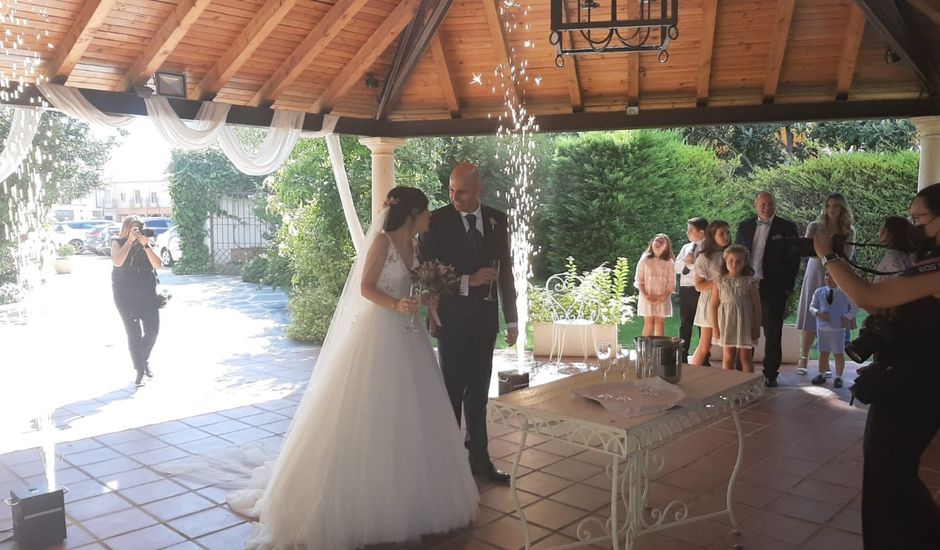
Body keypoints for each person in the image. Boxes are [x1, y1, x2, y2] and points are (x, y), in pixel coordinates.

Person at [229, 187, 478, 549]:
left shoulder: (417, 246)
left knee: (415, 414)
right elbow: (366, 288)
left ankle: (417, 500)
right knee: (373, 412)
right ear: (411, 213)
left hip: (411, 336)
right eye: (425, 212)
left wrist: (424, 298)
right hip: (381, 332)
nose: (430, 218)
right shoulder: (382, 242)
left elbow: (411, 288)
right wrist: (397, 305)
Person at [813, 182, 940, 550]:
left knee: (886, 475)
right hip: (914, 381)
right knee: (894, 472)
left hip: (915, 386)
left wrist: (828, 256)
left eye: (919, 218)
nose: (912, 225)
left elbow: (869, 296)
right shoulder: (927, 266)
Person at [418, 163, 518, 485]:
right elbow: (429, 274)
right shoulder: (437, 222)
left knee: (478, 392)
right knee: (451, 393)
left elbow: (506, 271)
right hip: (451, 320)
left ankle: (480, 459)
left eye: (461, 191)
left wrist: (512, 318)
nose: (454, 196)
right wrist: (469, 281)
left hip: (485, 321)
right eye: (451, 189)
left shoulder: (497, 219)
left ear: (478, 190)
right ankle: (446, 464)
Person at [735, 191, 800, 387]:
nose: (766, 207)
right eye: (762, 203)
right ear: (756, 205)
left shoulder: (786, 227)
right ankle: (743, 372)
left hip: (773, 286)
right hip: (747, 285)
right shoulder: (744, 226)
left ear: (774, 205)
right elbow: (736, 253)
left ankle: (770, 373)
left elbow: (794, 259)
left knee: (773, 330)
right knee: (746, 330)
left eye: (770, 203)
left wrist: (787, 285)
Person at [795, 193, 856, 375]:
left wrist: (829, 257)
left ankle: (826, 362)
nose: (831, 209)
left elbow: (848, 255)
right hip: (816, 271)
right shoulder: (815, 226)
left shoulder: (849, 230)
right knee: (812, 313)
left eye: (836, 206)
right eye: (829, 205)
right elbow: (808, 251)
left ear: (842, 208)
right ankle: (803, 358)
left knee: (833, 316)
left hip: (837, 272)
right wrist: (825, 254)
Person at [111, 216, 163, 387]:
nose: (137, 231)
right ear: (126, 228)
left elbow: (157, 265)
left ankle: (143, 360)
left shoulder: (147, 241)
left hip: (147, 293)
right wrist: (129, 241)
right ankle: (140, 369)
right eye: (133, 228)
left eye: (139, 228)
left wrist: (145, 244)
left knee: (153, 331)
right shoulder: (117, 242)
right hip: (125, 294)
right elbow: (117, 262)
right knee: (133, 334)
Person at [709, 245, 761, 372]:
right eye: (731, 260)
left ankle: (749, 387)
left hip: (744, 324)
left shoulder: (749, 281)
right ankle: (727, 386)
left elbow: (757, 306)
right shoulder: (719, 281)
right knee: (728, 355)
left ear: (744, 263)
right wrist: (715, 328)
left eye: (739, 261)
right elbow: (713, 305)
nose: (734, 264)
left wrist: (756, 327)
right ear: (725, 261)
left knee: (746, 356)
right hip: (726, 323)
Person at [690, 220, 732, 366]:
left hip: (729, 302)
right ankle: (691, 376)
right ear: (712, 235)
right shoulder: (704, 258)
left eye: (728, 233)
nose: (726, 236)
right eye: (721, 233)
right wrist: (719, 283)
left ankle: (727, 381)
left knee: (729, 346)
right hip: (709, 302)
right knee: (705, 345)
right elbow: (699, 286)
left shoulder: (732, 255)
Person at [808, 270, 857, 388]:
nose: (828, 278)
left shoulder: (844, 293)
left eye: (831, 275)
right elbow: (812, 307)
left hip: (837, 329)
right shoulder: (819, 292)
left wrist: (847, 318)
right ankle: (821, 374)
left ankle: (838, 377)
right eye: (826, 275)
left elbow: (855, 306)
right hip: (822, 328)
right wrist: (818, 313)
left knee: (838, 353)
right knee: (823, 352)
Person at [674, 217, 708, 360]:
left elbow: (707, 270)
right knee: (685, 322)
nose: (687, 233)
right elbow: (676, 268)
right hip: (686, 289)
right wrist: (685, 261)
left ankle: (704, 356)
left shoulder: (709, 248)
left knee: (702, 323)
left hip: (700, 289)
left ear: (701, 232)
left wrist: (694, 264)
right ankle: (682, 354)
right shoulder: (686, 248)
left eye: (691, 230)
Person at [635, 233, 676, 336]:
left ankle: (658, 350)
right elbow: (639, 280)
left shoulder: (669, 262)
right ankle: (645, 350)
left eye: (661, 242)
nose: (658, 243)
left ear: (666, 247)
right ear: (652, 243)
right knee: (649, 324)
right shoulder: (644, 259)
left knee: (659, 324)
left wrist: (662, 298)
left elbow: (671, 283)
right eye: (656, 240)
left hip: (663, 297)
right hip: (646, 297)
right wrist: (646, 295)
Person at [872, 216, 915, 284]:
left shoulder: (893, 257)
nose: (880, 231)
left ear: (891, 234)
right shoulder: (903, 254)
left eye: (884, 228)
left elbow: (904, 283)